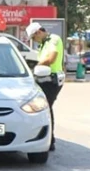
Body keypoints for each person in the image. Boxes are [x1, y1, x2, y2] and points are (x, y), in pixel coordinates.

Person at [26, 22, 64, 152]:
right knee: (44, 107)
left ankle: (50, 140)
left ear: (38, 32)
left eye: (33, 37)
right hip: (43, 78)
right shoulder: (43, 44)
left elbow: (51, 58)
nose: (34, 40)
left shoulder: (53, 39)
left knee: (46, 108)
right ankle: (47, 138)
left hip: (51, 79)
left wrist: (34, 67)